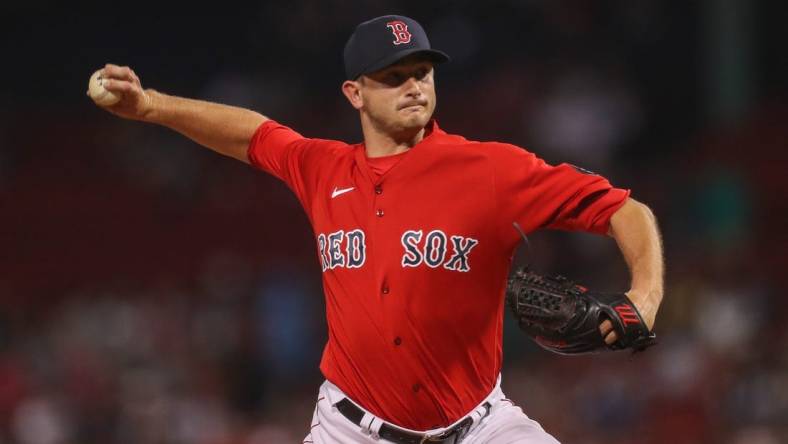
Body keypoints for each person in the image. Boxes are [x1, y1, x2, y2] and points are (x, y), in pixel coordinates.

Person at [91, 14, 664, 444]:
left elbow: (624, 210)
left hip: (481, 427)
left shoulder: (491, 169)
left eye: (422, 72)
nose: (414, 85)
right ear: (355, 93)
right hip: (350, 430)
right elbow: (253, 134)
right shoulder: (324, 169)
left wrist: (645, 294)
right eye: (393, 77)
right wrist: (151, 107)